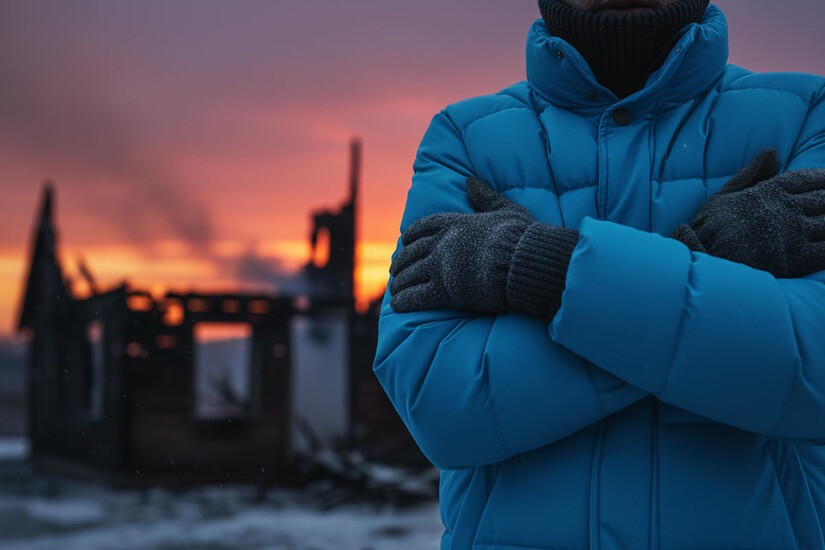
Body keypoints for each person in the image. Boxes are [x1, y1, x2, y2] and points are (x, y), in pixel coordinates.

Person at [373, 0, 825, 548]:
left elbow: (812, 372)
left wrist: (543, 269)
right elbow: (441, 404)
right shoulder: (465, 138)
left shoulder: (806, 114)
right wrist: (703, 262)